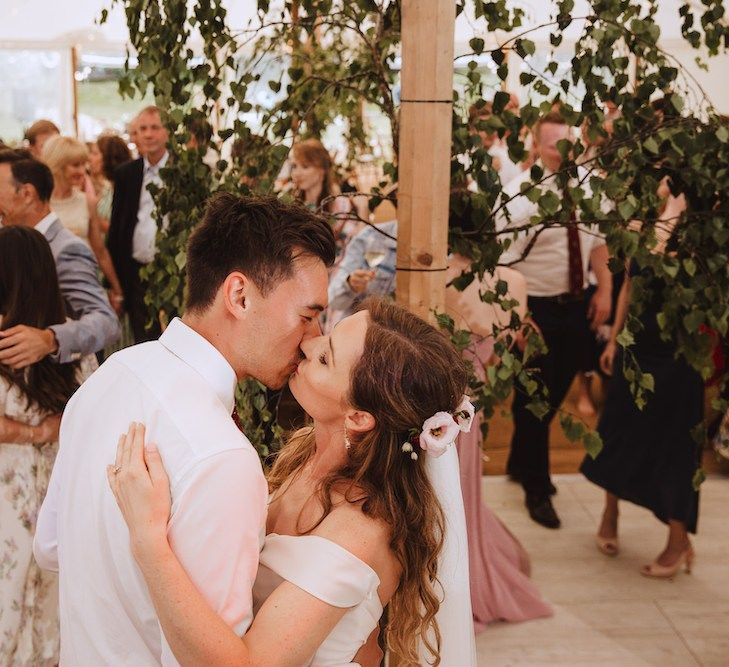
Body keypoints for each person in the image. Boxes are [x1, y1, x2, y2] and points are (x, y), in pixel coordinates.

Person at [32, 193, 338, 665]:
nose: (314, 337)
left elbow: (50, 548)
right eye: (307, 315)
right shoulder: (222, 457)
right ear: (239, 295)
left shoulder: (113, 373)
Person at [107, 295, 477, 666]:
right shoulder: (305, 455)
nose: (307, 343)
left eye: (324, 358)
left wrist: (149, 539)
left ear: (358, 418)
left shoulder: (357, 534)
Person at [496, 108, 612, 529]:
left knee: (557, 390)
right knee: (535, 402)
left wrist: (606, 290)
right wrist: (517, 318)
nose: (562, 150)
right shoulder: (518, 196)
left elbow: (598, 244)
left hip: (578, 305)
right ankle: (537, 488)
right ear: (535, 145)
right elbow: (503, 266)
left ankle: (519, 462)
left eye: (568, 142)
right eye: (552, 143)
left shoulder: (590, 188)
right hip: (536, 309)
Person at [581, 193, 703, 578]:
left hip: (680, 356)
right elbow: (629, 288)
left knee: (676, 446)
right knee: (617, 431)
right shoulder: (644, 227)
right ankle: (610, 512)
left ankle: (679, 540)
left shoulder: (705, 232)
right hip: (636, 349)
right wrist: (616, 339)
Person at [0, 226, 96, 666]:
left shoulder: (56, 346)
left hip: (15, 496)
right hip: (60, 497)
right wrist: (44, 431)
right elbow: (93, 420)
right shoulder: (71, 350)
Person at [0, 150, 120, 366]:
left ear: (27, 194)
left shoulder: (65, 248)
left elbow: (106, 322)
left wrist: (50, 339)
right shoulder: (11, 240)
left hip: (49, 384)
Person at [107, 105, 170, 342]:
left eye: (155, 127)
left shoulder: (181, 172)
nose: (148, 134)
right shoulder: (126, 174)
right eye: (143, 128)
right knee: (143, 338)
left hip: (172, 271)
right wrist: (115, 284)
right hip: (136, 273)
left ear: (167, 132)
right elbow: (117, 228)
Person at [42, 136, 124, 311]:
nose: (82, 170)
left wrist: (117, 289)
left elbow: (99, 249)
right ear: (58, 165)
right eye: (75, 165)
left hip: (84, 284)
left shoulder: (86, 201)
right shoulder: (41, 204)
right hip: (50, 287)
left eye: (83, 164)